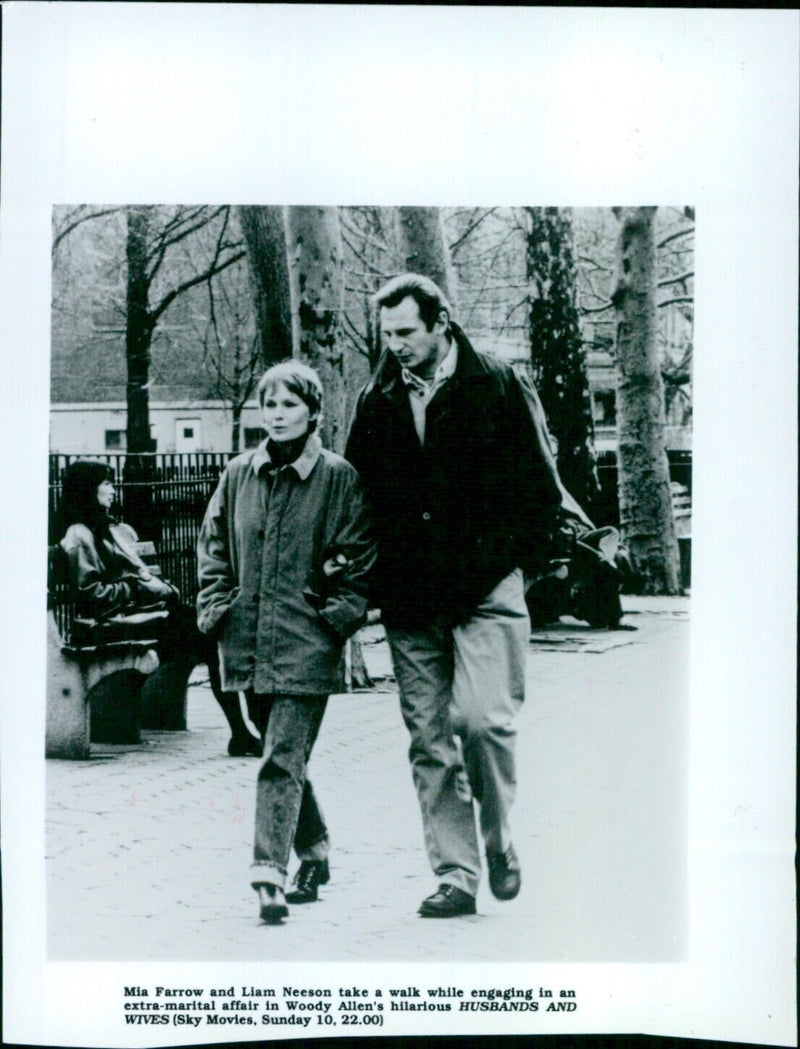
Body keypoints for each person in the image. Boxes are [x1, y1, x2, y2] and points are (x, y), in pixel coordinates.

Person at [345, 274, 565, 918]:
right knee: (430, 741)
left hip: (486, 588)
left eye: (407, 332)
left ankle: (497, 842)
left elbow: (541, 494)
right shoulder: (377, 397)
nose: (396, 346)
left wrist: (499, 563)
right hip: (412, 601)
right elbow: (361, 499)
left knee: (481, 722)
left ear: (442, 323)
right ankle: (456, 873)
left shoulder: (497, 382)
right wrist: (372, 580)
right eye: (387, 335)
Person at [196, 360, 375, 924]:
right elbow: (214, 547)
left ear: (313, 411)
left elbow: (358, 557)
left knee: (277, 757)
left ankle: (268, 872)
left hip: (306, 641)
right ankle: (316, 851)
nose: (277, 415)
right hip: (245, 637)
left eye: (289, 404)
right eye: (269, 404)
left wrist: (335, 618)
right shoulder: (238, 474)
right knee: (286, 756)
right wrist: (217, 606)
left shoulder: (338, 477)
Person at [58, 458, 262, 757]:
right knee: (210, 635)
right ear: (87, 489)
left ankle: (242, 731)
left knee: (213, 629)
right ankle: (240, 732)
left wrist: (154, 588)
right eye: (106, 484)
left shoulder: (104, 527)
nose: (113, 490)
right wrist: (137, 587)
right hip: (107, 622)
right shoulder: (79, 534)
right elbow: (92, 594)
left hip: (132, 613)